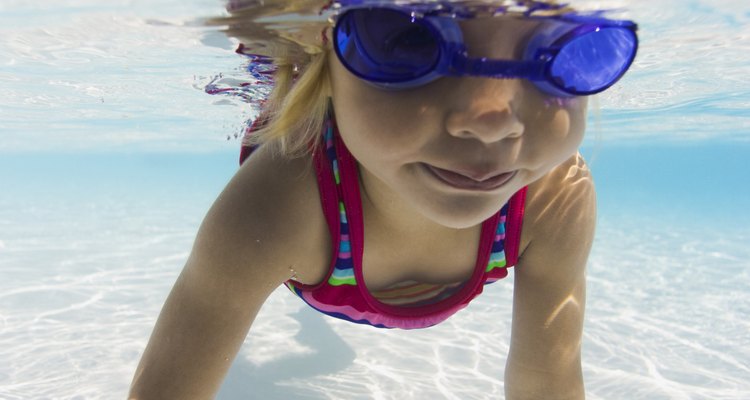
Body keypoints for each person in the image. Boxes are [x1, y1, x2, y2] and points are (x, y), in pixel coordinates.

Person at [129, 1, 638, 398]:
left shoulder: (554, 198)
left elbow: (546, 386)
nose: (493, 122)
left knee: (330, 360)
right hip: (317, 189)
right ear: (325, 48)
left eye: (563, 52)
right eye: (405, 42)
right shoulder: (274, 209)